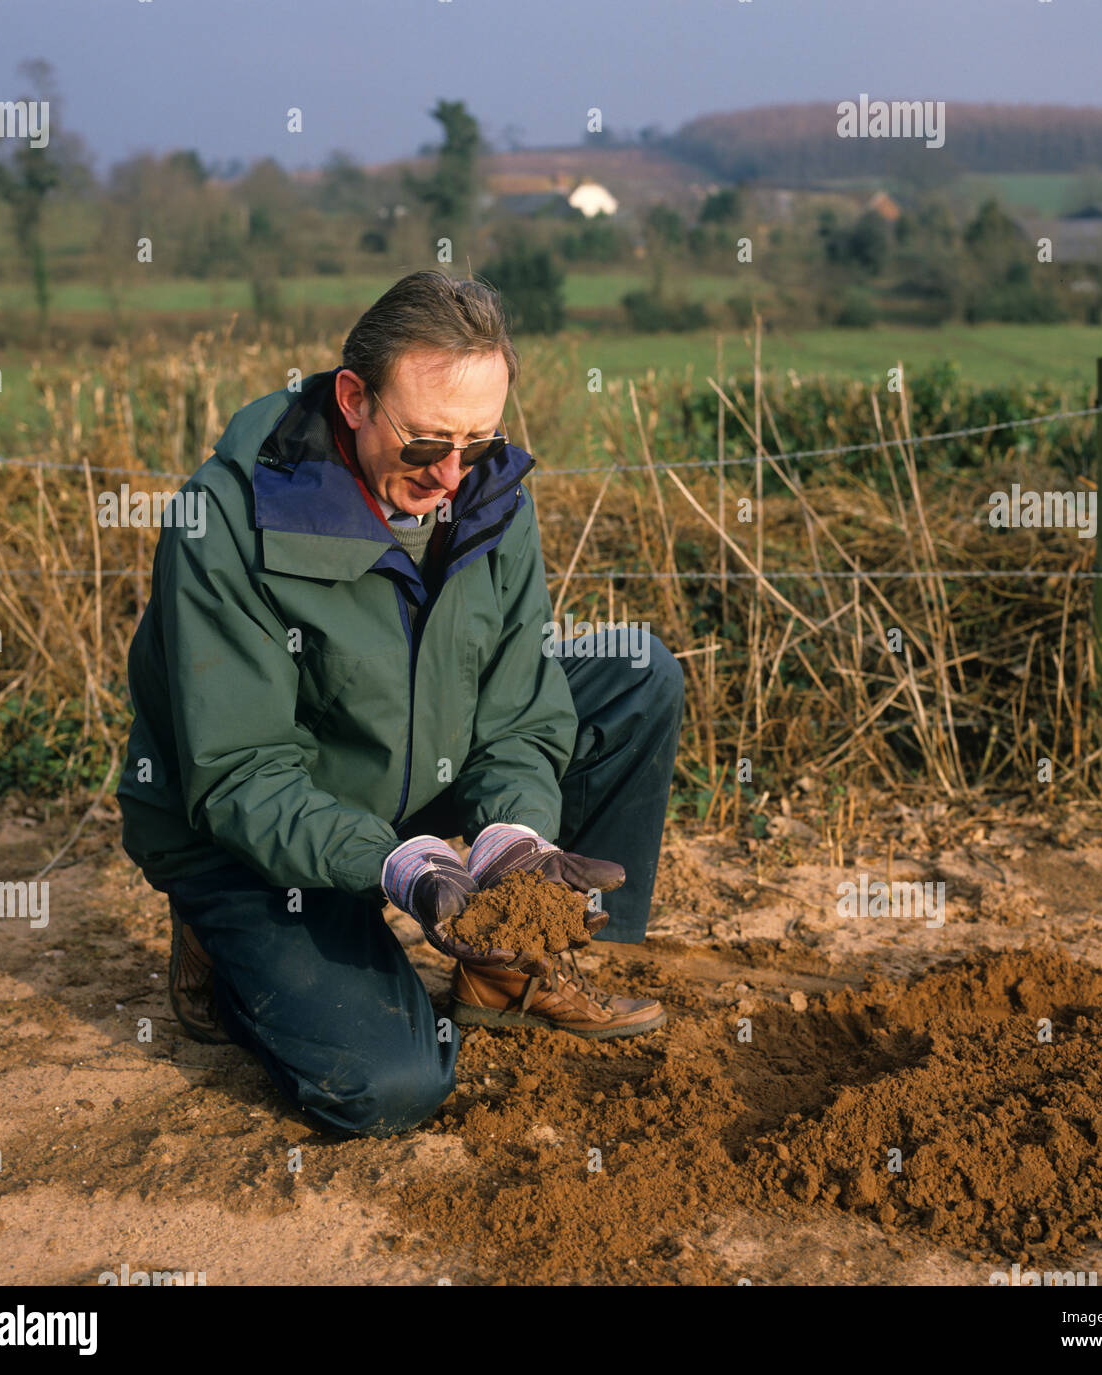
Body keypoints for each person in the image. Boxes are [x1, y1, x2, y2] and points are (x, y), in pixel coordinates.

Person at [115, 270, 684, 1138]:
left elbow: (518, 708)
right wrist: (397, 863)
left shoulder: (487, 492)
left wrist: (511, 837)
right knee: (391, 1086)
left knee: (635, 671)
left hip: (408, 761)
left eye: (479, 441)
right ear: (353, 398)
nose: (452, 475)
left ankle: (514, 964)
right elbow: (238, 770)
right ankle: (222, 946)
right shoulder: (223, 518)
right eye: (423, 443)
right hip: (244, 828)